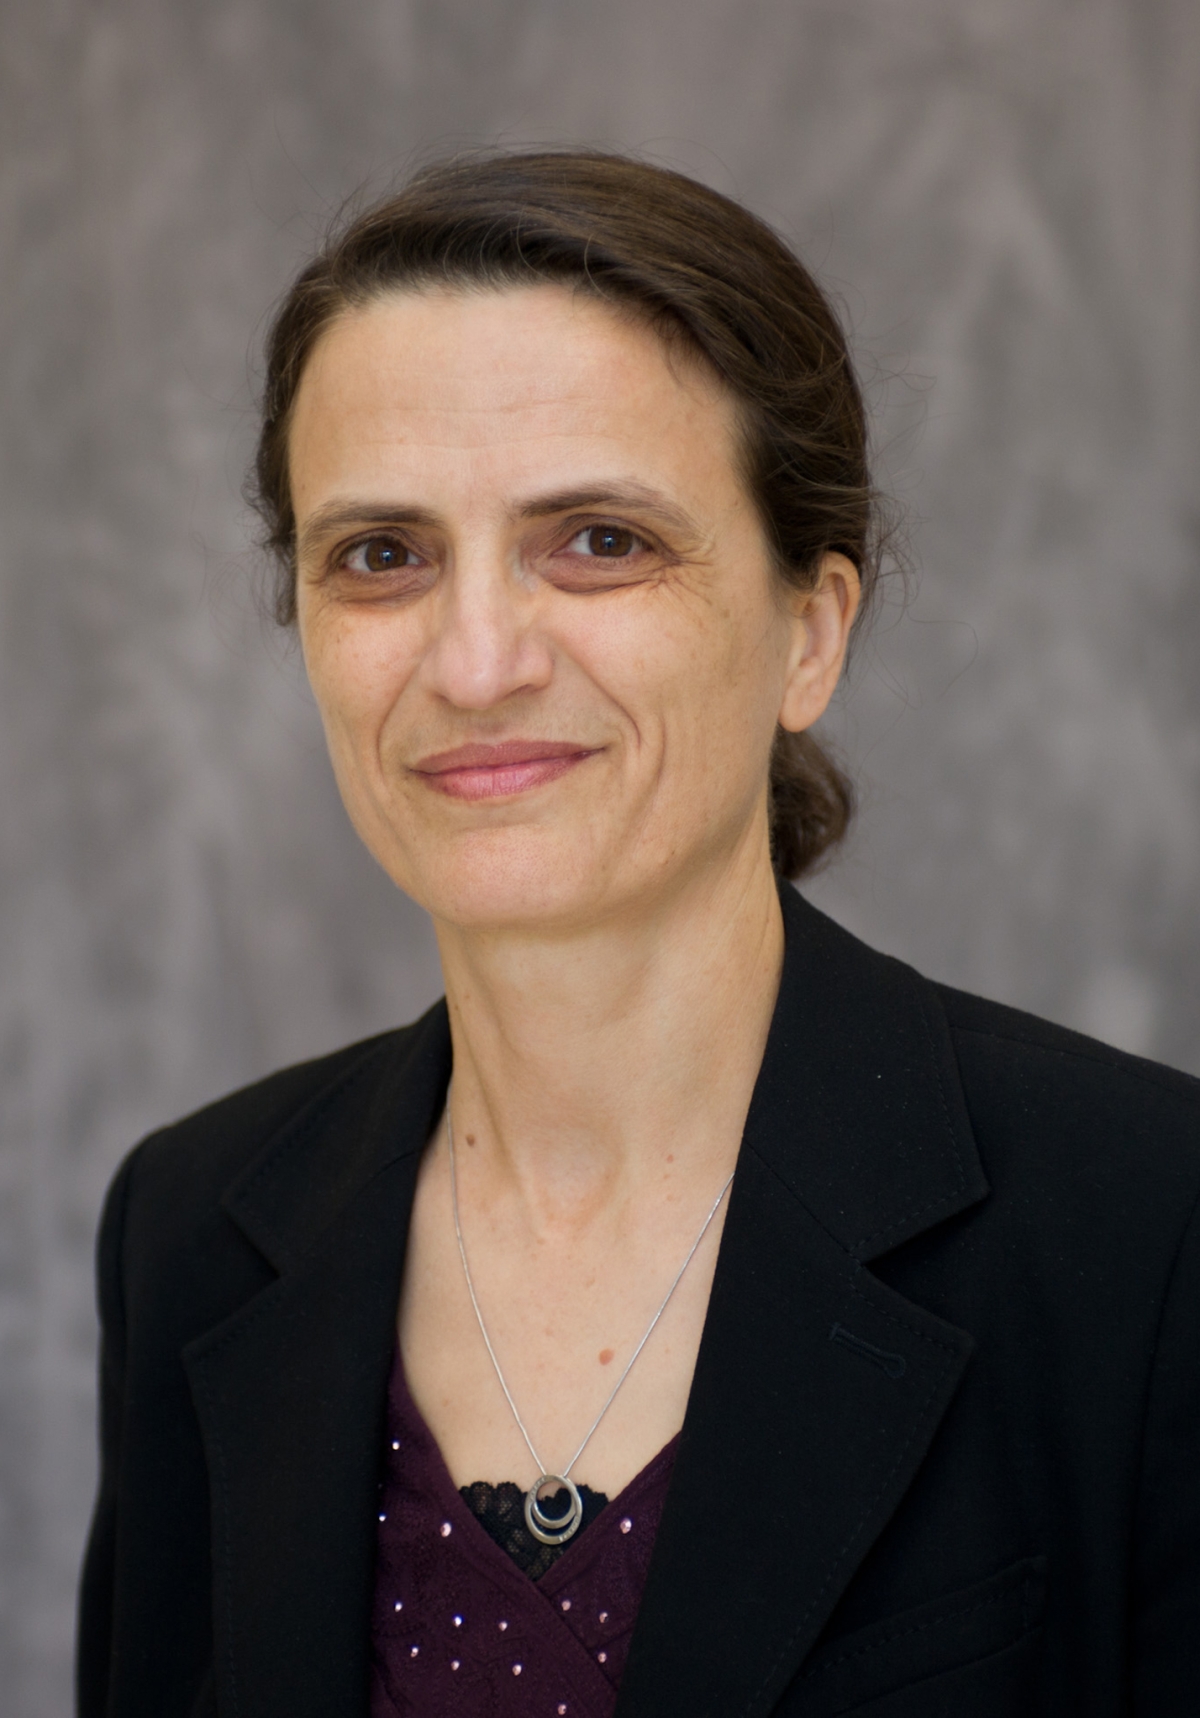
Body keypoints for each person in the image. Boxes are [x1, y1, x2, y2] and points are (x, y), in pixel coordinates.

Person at [77, 151, 1199, 1718]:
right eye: (381, 554)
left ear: (809, 630)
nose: (475, 660)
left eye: (598, 538)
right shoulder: (194, 1231)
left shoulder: (1148, 1229)